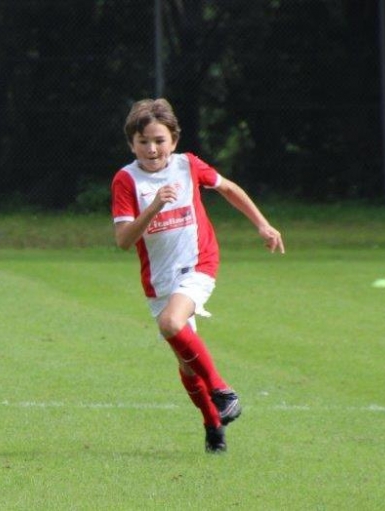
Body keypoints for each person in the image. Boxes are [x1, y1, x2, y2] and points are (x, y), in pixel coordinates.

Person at [111, 98, 284, 453]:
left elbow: (228, 188)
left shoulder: (188, 165)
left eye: (159, 140)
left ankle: (223, 390)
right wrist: (154, 206)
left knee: (170, 324)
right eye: (143, 141)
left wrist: (263, 225)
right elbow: (124, 240)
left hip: (198, 263)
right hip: (159, 280)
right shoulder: (126, 180)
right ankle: (212, 425)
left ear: (174, 140)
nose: (152, 149)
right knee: (187, 367)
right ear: (131, 144)